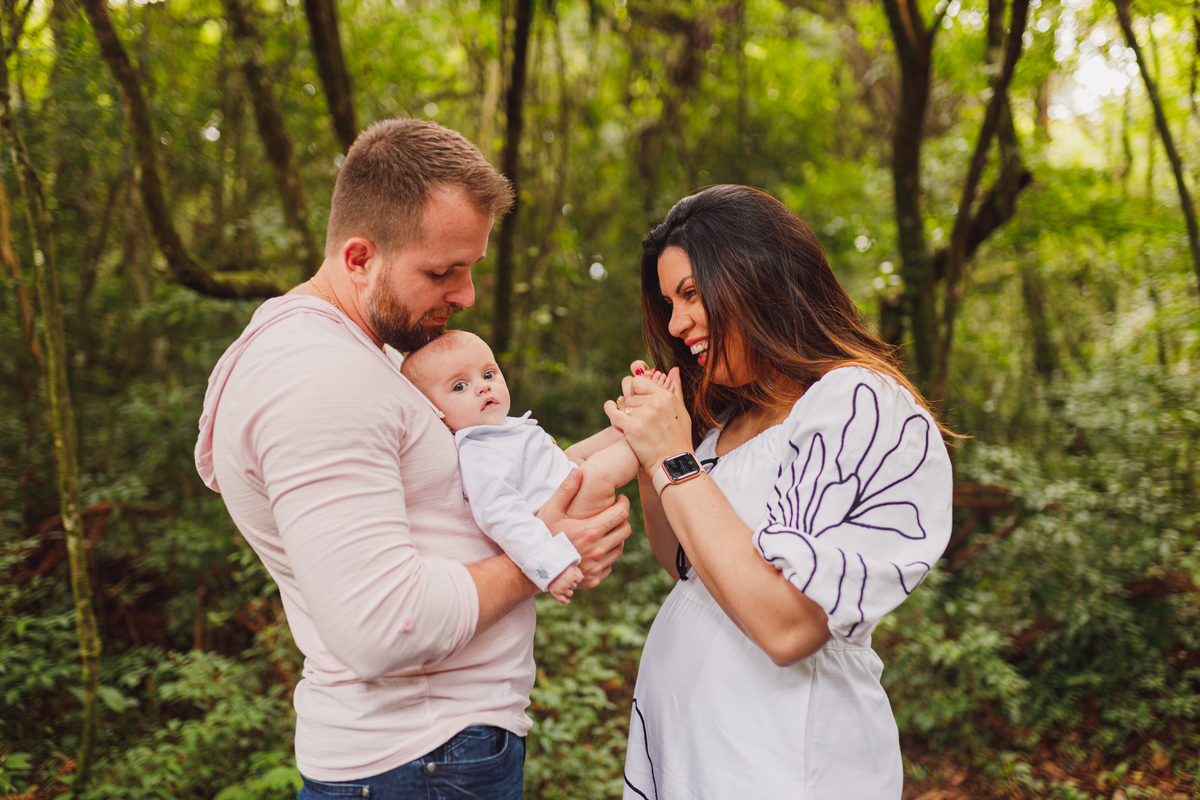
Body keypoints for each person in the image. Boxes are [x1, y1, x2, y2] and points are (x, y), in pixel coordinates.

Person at [193, 118, 631, 800]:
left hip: (436, 753)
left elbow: (483, 487)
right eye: (441, 271)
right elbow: (379, 625)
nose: (466, 296)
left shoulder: (364, 362)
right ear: (360, 258)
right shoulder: (318, 376)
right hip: (419, 760)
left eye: (471, 267)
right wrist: (545, 554)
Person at [604, 185, 954, 799]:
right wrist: (650, 463)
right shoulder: (730, 422)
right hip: (694, 757)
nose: (675, 322)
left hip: (786, 762)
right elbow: (686, 564)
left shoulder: (856, 402)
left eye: (690, 294)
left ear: (760, 276)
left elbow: (788, 626)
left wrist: (674, 459)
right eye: (667, 303)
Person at [401, 330, 645, 604]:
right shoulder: (479, 453)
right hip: (568, 512)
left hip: (566, 483)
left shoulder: (504, 429)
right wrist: (549, 566)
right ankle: (647, 434)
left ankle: (634, 417)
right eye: (459, 386)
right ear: (436, 413)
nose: (483, 387)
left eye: (489, 374)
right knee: (599, 469)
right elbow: (502, 516)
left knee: (580, 453)